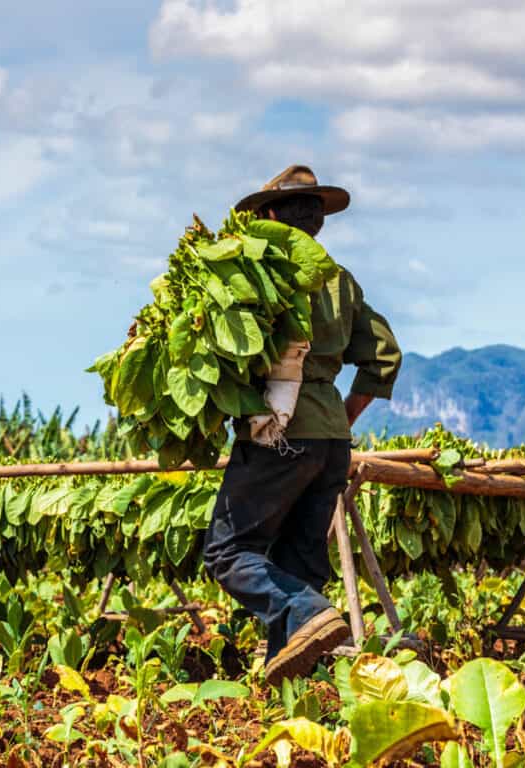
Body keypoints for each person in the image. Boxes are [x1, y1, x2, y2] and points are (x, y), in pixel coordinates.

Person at [203, 165, 402, 687]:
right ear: (316, 222)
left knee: (227, 551)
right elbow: (385, 356)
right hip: (330, 436)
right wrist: (340, 416)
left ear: (267, 216)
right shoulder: (340, 281)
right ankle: (290, 686)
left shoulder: (252, 272)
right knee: (299, 557)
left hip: (278, 429)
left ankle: (310, 613)